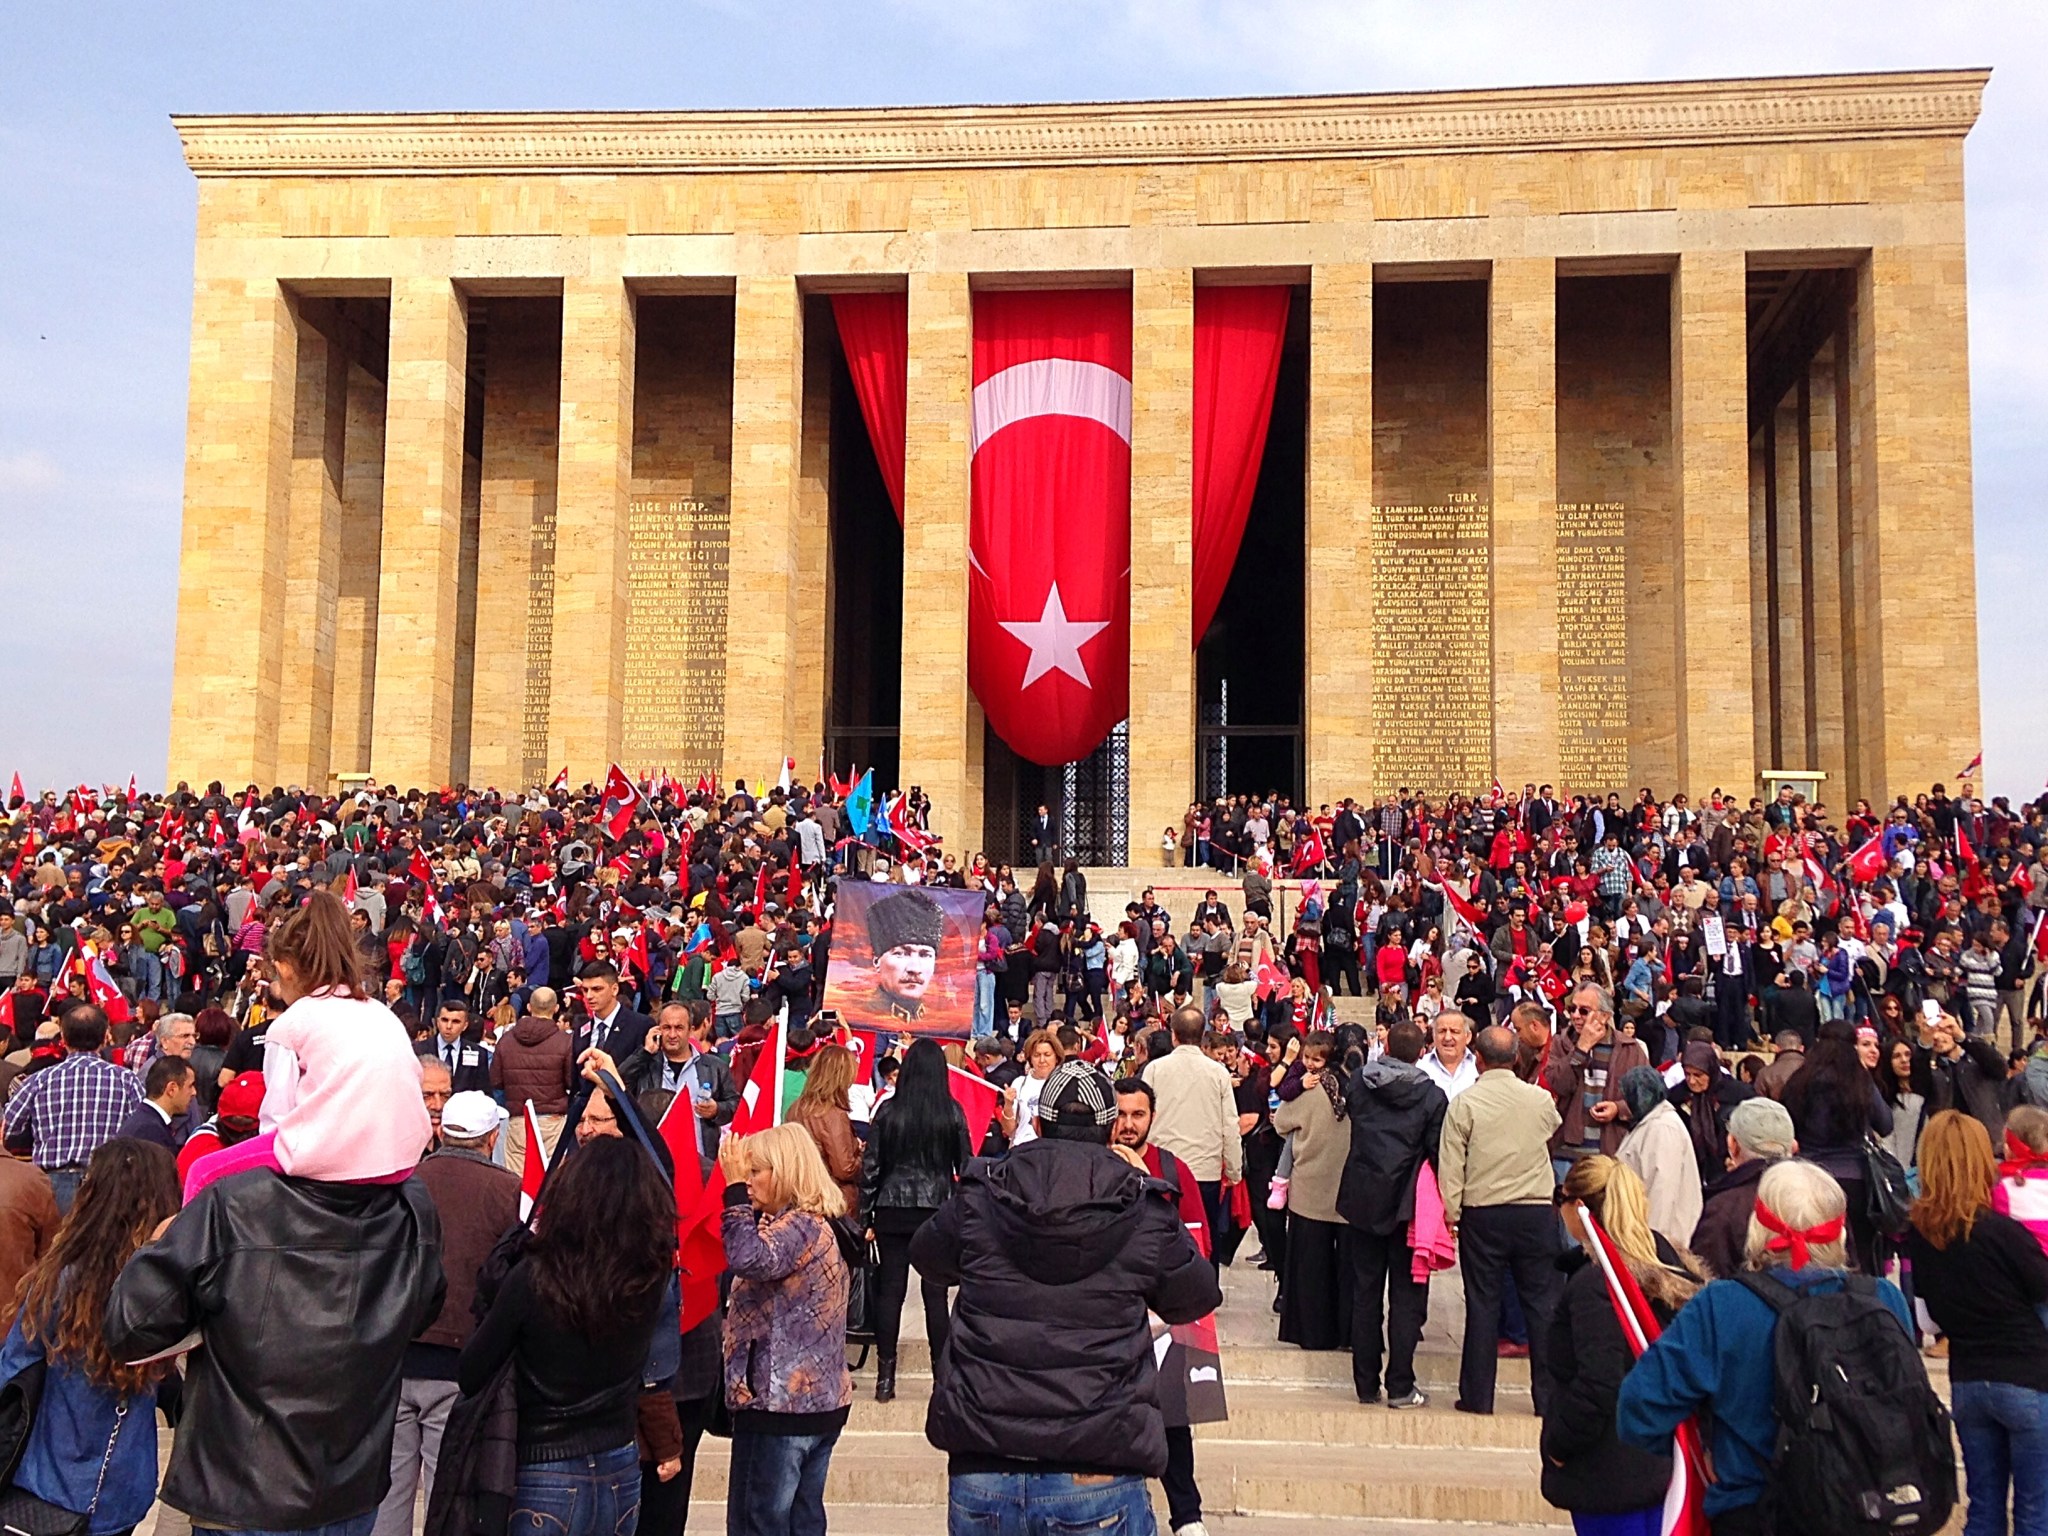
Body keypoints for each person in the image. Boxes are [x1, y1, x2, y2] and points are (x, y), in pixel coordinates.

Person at [105, 889, 447, 1536]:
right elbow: (421, 1308)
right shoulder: (412, 1209)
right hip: (350, 1487)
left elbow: (130, 1324)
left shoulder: (235, 1208)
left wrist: (165, 1245)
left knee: (204, 1171)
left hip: (248, 1495)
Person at [912, 1060, 1221, 1534]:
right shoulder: (1138, 1203)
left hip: (995, 1459)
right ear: (1109, 1129)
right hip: (1092, 1457)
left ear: (1037, 1124)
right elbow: (1196, 1294)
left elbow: (929, 1256)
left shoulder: (984, 1192)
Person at [1617, 1161, 1916, 1535]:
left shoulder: (1722, 1305)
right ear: (1840, 1232)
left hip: (1753, 1510)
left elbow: (1639, 1409)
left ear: (1758, 1225)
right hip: (1866, 1509)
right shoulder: (1885, 1299)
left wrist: (1699, 1452)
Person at [460, 1133, 672, 1536]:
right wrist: (615, 1089)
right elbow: (665, 1168)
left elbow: (472, 1372)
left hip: (545, 1466)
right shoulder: (650, 1275)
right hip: (619, 1462)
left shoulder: (533, 1278)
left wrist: (491, 1297)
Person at [0, 1139, 181, 1536]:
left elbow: (12, 1372)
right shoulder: (164, 1291)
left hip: (48, 1482)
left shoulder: (59, 1282)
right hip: (122, 1487)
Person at [372, 1090, 521, 1536]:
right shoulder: (507, 1191)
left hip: (396, 1356)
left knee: (389, 1490)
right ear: (492, 1135)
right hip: (462, 1362)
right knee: (447, 1491)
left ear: (443, 1130)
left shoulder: (403, 1182)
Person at [1543, 1155, 1707, 1535]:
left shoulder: (1596, 1285)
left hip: (1611, 1470)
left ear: (1579, 1207)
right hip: (1669, 1459)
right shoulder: (1669, 1264)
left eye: (1559, 1197)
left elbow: (1598, 1383)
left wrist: (1559, 1444)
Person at [1904, 1109, 2048, 1536]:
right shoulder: (2005, 1234)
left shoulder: (1921, 1235)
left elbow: (1927, 1321)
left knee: (1982, 1508)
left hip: (1967, 1381)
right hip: (2028, 1380)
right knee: (2035, 1512)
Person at [718, 1122, 854, 1536]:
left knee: (760, 1524)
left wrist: (734, 1196)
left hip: (782, 1405)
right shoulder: (812, 1224)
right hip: (809, 1404)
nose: (749, 1182)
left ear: (785, 1171)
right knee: (800, 1520)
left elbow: (749, 1258)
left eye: (756, 1172)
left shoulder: (800, 1226)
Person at [1437, 1024, 1563, 1416]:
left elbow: (1452, 1165)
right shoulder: (1539, 1099)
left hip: (1484, 1211)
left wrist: (1451, 1213)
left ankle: (1478, 1396)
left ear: (1479, 1058)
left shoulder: (1466, 1103)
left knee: (1482, 1304)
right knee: (1542, 1306)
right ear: (1515, 1060)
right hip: (1535, 1210)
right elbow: (1552, 1127)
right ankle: (1549, 1398)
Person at [1110, 1075, 1215, 1536]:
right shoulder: (1088, 1166)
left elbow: (1198, 1250)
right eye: (1120, 1115)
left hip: (1166, 1322)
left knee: (1174, 1421)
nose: (1128, 1125)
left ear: (1153, 1117)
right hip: (1106, 1318)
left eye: (1138, 1115)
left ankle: (1187, 1516)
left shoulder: (1174, 1171)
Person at [1337, 1017, 1448, 1408]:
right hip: (1407, 1205)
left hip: (1364, 1198)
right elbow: (1437, 1154)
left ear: (1384, 1049)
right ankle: (1400, 1385)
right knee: (1406, 1298)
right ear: (1422, 1053)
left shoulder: (1359, 1085)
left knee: (1365, 1294)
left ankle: (1366, 1384)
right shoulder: (1433, 1096)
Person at [860, 1038, 972, 1404]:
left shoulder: (889, 1111)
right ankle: (941, 1377)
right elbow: (965, 1168)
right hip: (937, 1209)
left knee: (890, 1292)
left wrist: (866, 1216)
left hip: (893, 1208)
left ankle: (885, 1378)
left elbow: (871, 1168)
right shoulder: (951, 1112)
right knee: (934, 1295)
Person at [3, 1001, 145, 1212]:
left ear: (63, 1038)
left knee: (56, 1244)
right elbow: (141, 1130)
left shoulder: (40, 1080)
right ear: (105, 1037)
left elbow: (7, 1126)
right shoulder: (127, 1080)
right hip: (108, 1182)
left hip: (53, 1183)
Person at [1781, 1018, 1893, 1274]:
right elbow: (1885, 1123)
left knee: (1813, 1253)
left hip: (1809, 1176)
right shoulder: (1860, 1081)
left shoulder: (1800, 1080)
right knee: (1862, 1255)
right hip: (1855, 1177)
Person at [1144, 1006, 1244, 1269]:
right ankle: (1205, 1299)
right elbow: (1230, 1126)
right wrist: (1234, 1169)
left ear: (1173, 1035)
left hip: (1163, 1169)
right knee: (1205, 1238)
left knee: (1159, 1239)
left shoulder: (1155, 1069)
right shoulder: (1218, 1073)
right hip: (1203, 1170)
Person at [1273, 1028, 1352, 1351]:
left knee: (1310, 1267)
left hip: (1310, 1190)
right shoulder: (1357, 1090)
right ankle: (1347, 1332)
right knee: (1347, 1270)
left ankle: (1313, 1333)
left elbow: (1280, 1122)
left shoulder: (1308, 1088)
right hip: (1348, 1192)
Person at [1691, 1096, 1798, 1280]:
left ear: (1732, 1144)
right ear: (1793, 1146)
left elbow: (1705, 1282)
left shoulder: (1723, 1208)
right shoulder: (1821, 1195)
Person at [616, 1001, 739, 1160]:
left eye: (679, 1028)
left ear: (690, 1030)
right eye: (667, 1028)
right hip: (654, 1160)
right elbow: (618, 1085)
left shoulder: (715, 1067)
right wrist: (645, 1053)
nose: (672, 1035)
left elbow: (735, 1105)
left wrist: (717, 1110)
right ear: (658, 1030)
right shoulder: (646, 1066)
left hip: (700, 1160)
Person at [1614, 1065, 1703, 1249]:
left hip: (1658, 1240)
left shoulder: (1663, 1129)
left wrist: (1652, 1243)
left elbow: (1663, 1190)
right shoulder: (1648, 1122)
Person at [492, 985, 577, 1176]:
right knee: (553, 1179)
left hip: (519, 1118)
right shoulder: (565, 1041)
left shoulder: (506, 1040)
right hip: (553, 1120)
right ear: (556, 1009)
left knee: (518, 1183)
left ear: (529, 1007)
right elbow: (572, 1081)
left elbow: (496, 1080)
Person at [787, 1042, 862, 1216]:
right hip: (832, 1201)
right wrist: (862, 1156)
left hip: (801, 1196)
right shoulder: (833, 1114)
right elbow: (844, 1168)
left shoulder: (795, 1108)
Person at [854, 888, 946, 1026]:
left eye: (925, 955)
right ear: (876, 960)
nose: (915, 968)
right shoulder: (859, 1015)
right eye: (901, 953)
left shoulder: (939, 1020)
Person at [115, 1054, 197, 1152]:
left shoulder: (147, 1121)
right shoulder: (150, 1131)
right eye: (190, 1086)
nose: (194, 1092)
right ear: (172, 1089)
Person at [415, 999, 492, 1092]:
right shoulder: (418, 1050)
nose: (449, 1026)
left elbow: (484, 1092)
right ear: (437, 1022)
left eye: (455, 1021)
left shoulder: (478, 1053)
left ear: (465, 1025)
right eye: (445, 1020)